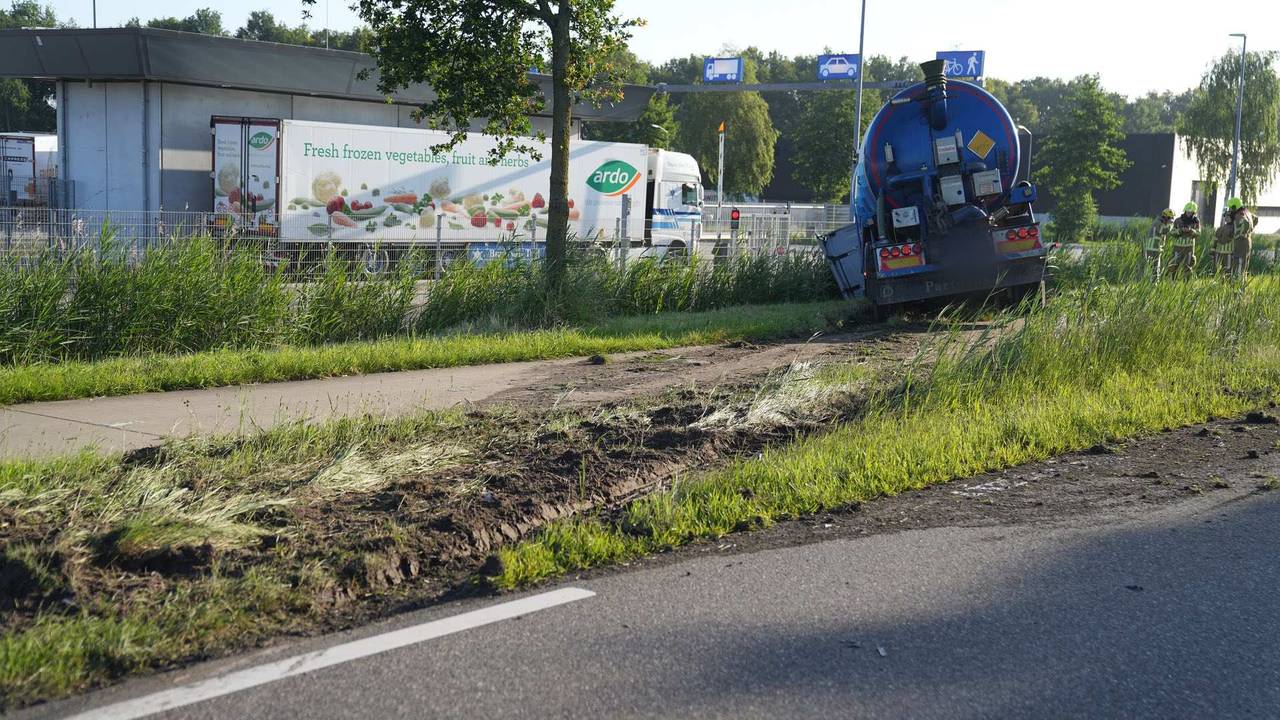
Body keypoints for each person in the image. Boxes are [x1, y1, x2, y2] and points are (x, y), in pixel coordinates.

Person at [1168, 202, 1200, 279]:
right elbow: (1171, 232)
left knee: (1188, 266)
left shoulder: (1196, 221)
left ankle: (1186, 284)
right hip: (1178, 248)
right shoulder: (1178, 220)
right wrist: (1180, 231)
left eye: (1191, 212)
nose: (1189, 213)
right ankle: (1172, 282)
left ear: (1194, 212)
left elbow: (1198, 233)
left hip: (1189, 248)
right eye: (1187, 211)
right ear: (1185, 211)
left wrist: (1191, 230)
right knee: (1174, 265)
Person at [1227, 197, 1255, 279]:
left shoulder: (1240, 214)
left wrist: (1240, 234)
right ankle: (1241, 287)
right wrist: (1249, 231)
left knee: (1238, 263)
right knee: (1244, 265)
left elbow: (1245, 223)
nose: (1229, 210)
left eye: (1230, 208)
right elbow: (1255, 219)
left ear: (1235, 207)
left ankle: (1237, 286)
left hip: (1241, 242)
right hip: (1246, 241)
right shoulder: (1247, 212)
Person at [1145, 209, 1174, 280]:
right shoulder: (1158, 223)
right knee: (1155, 267)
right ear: (1166, 217)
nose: (1171, 220)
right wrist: (1170, 225)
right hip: (1153, 248)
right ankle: (1154, 283)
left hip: (1154, 248)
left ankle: (1152, 282)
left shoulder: (1159, 222)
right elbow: (1163, 231)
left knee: (1154, 267)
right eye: (1171, 218)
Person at [1213, 208, 1235, 275]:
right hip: (1218, 252)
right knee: (1218, 269)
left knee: (1228, 269)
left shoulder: (1234, 228)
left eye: (1228, 217)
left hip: (1228, 253)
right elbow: (1215, 240)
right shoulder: (1220, 228)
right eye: (1225, 216)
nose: (1226, 218)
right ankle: (1219, 283)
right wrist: (1213, 251)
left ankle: (1227, 284)